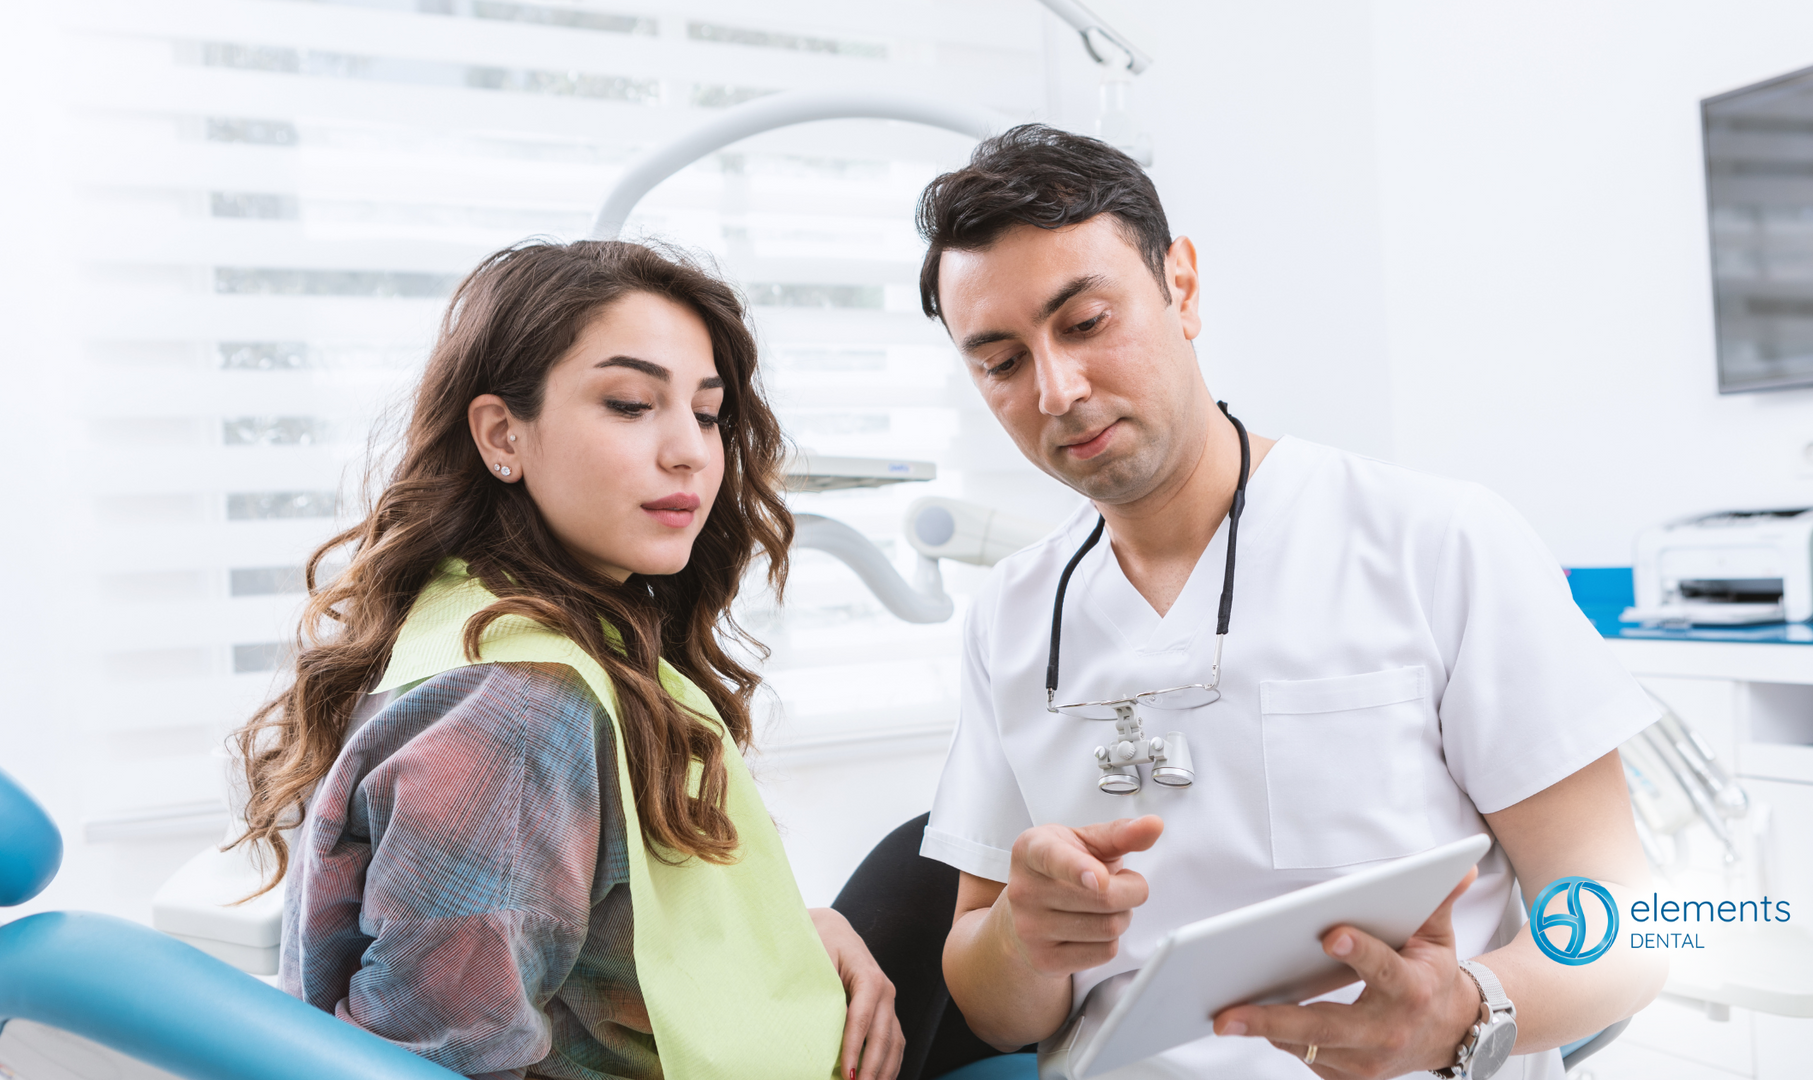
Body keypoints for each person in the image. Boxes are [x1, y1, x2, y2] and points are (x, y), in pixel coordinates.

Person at [913, 126, 1667, 1078]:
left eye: (1085, 322)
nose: (1058, 389)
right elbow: (989, 1008)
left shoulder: (1437, 544)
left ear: (1180, 287)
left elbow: (1635, 928)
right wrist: (1024, 940)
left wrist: (1468, 1010)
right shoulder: (1011, 618)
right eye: (1002, 362)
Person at [232, 239, 905, 1080]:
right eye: (629, 403)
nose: (690, 450)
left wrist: (796, 937)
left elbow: (592, 933)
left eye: (705, 412)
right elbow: (442, 1058)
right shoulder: (519, 707)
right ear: (502, 434)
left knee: (924, 870)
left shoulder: (500, 620)